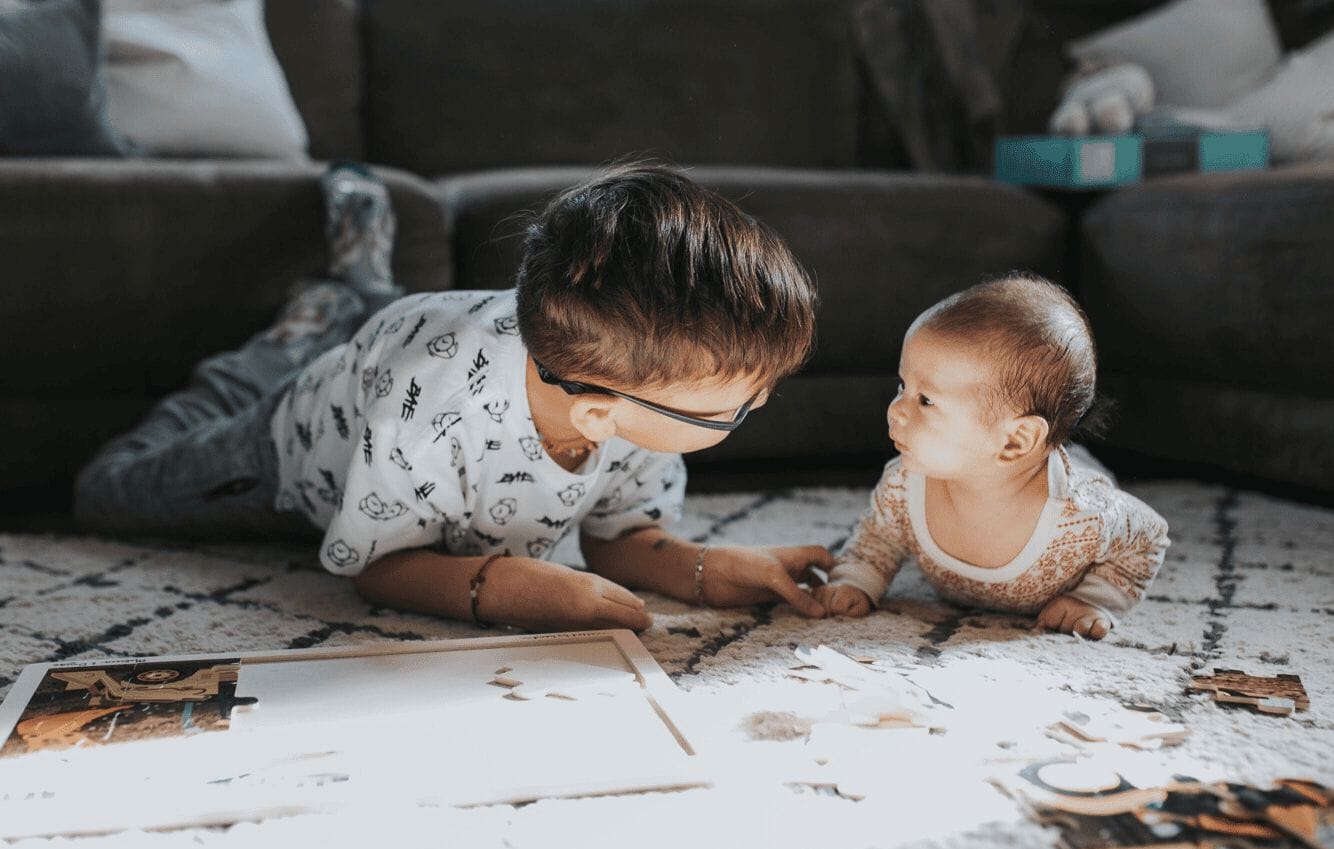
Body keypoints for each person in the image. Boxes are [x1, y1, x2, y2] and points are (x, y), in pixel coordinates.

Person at [75, 162, 833, 631]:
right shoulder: (434, 413)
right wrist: (500, 589)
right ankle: (283, 345)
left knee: (368, 331)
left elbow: (614, 537)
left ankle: (351, 298)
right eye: (735, 406)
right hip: (294, 436)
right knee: (108, 490)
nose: (759, 405)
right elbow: (374, 565)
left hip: (397, 358)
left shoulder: (623, 399)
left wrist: (707, 569)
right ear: (599, 413)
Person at [815, 274, 1169, 639]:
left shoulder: (1082, 515)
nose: (895, 410)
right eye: (903, 386)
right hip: (1035, 453)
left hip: (1074, 471)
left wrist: (1095, 599)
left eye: (926, 400)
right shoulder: (904, 485)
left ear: (1015, 441)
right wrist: (856, 579)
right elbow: (880, 537)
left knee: (1081, 465)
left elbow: (1148, 537)